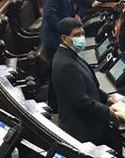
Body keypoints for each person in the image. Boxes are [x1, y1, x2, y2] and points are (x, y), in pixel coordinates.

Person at [51, 17, 120, 146]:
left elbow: (88, 85)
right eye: (76, 35)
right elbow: (81, 101)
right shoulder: (66, 64)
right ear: (64, 39)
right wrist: (107, 111)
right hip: (82, 130)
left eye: (83, 34)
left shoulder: (70, 54)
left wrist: (106, 98)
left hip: (88, 121)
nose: (81, 38)